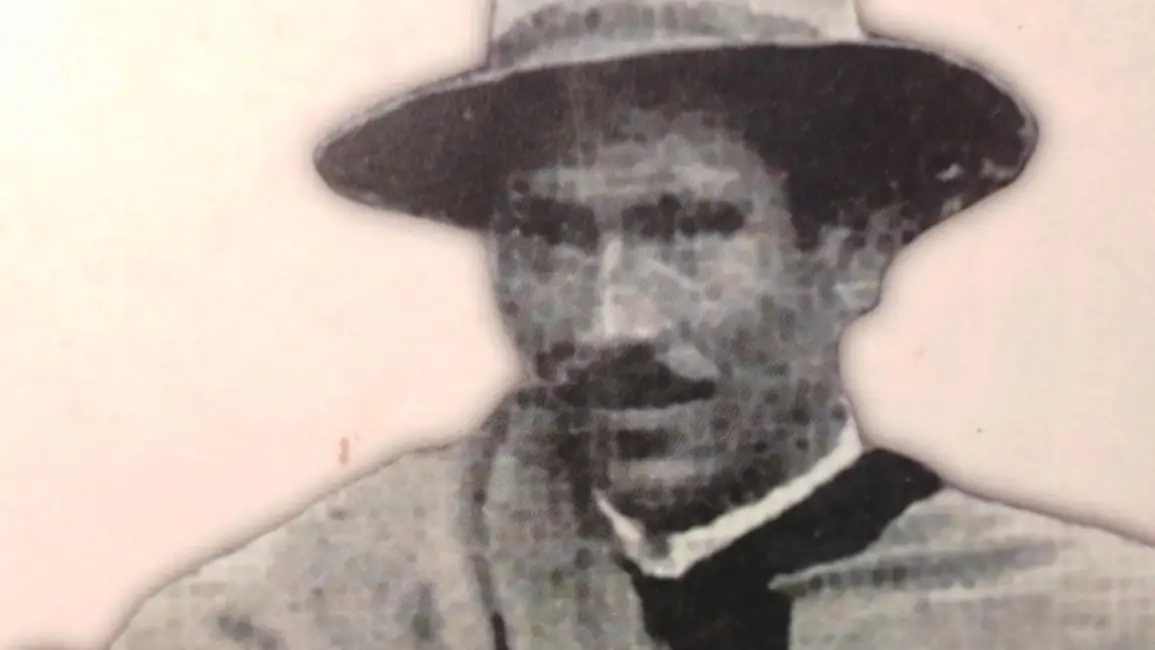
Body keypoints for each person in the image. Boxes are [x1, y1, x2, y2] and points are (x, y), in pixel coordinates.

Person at [103, 0, 1155, 648]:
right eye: (551, 235)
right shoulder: (311, 614)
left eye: (686, 227)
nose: (611, 321)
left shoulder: (1084, 619)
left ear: (852, 251)